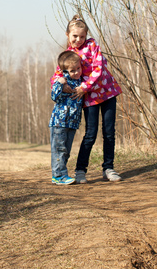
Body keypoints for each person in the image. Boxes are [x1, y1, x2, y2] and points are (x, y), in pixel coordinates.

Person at [52, 15, 122, 183]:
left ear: (86, 36)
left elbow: (99, 68)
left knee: (109, 132)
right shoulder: (67, 55)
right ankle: (81, 170)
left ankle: (108, 168)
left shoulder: (92, 45)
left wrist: (84, 86)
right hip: (88, 98)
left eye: (82, 36)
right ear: (67, 34)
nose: (79, 39)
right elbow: (57, 76)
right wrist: (61, 84)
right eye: (75, 36)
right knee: (90, 134)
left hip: (107, 92)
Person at [49, 50, 83, 185]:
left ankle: (62, 174)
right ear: (65, 71)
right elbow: (54, 97)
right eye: (72, 70)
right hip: (59, 122)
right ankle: (58, 176)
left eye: (78, 68)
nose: (76, 72)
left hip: (72, 123)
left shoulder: (80, 82)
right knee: (59, 149)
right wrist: (60, 84)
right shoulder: (63, 82)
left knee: (66, 151)